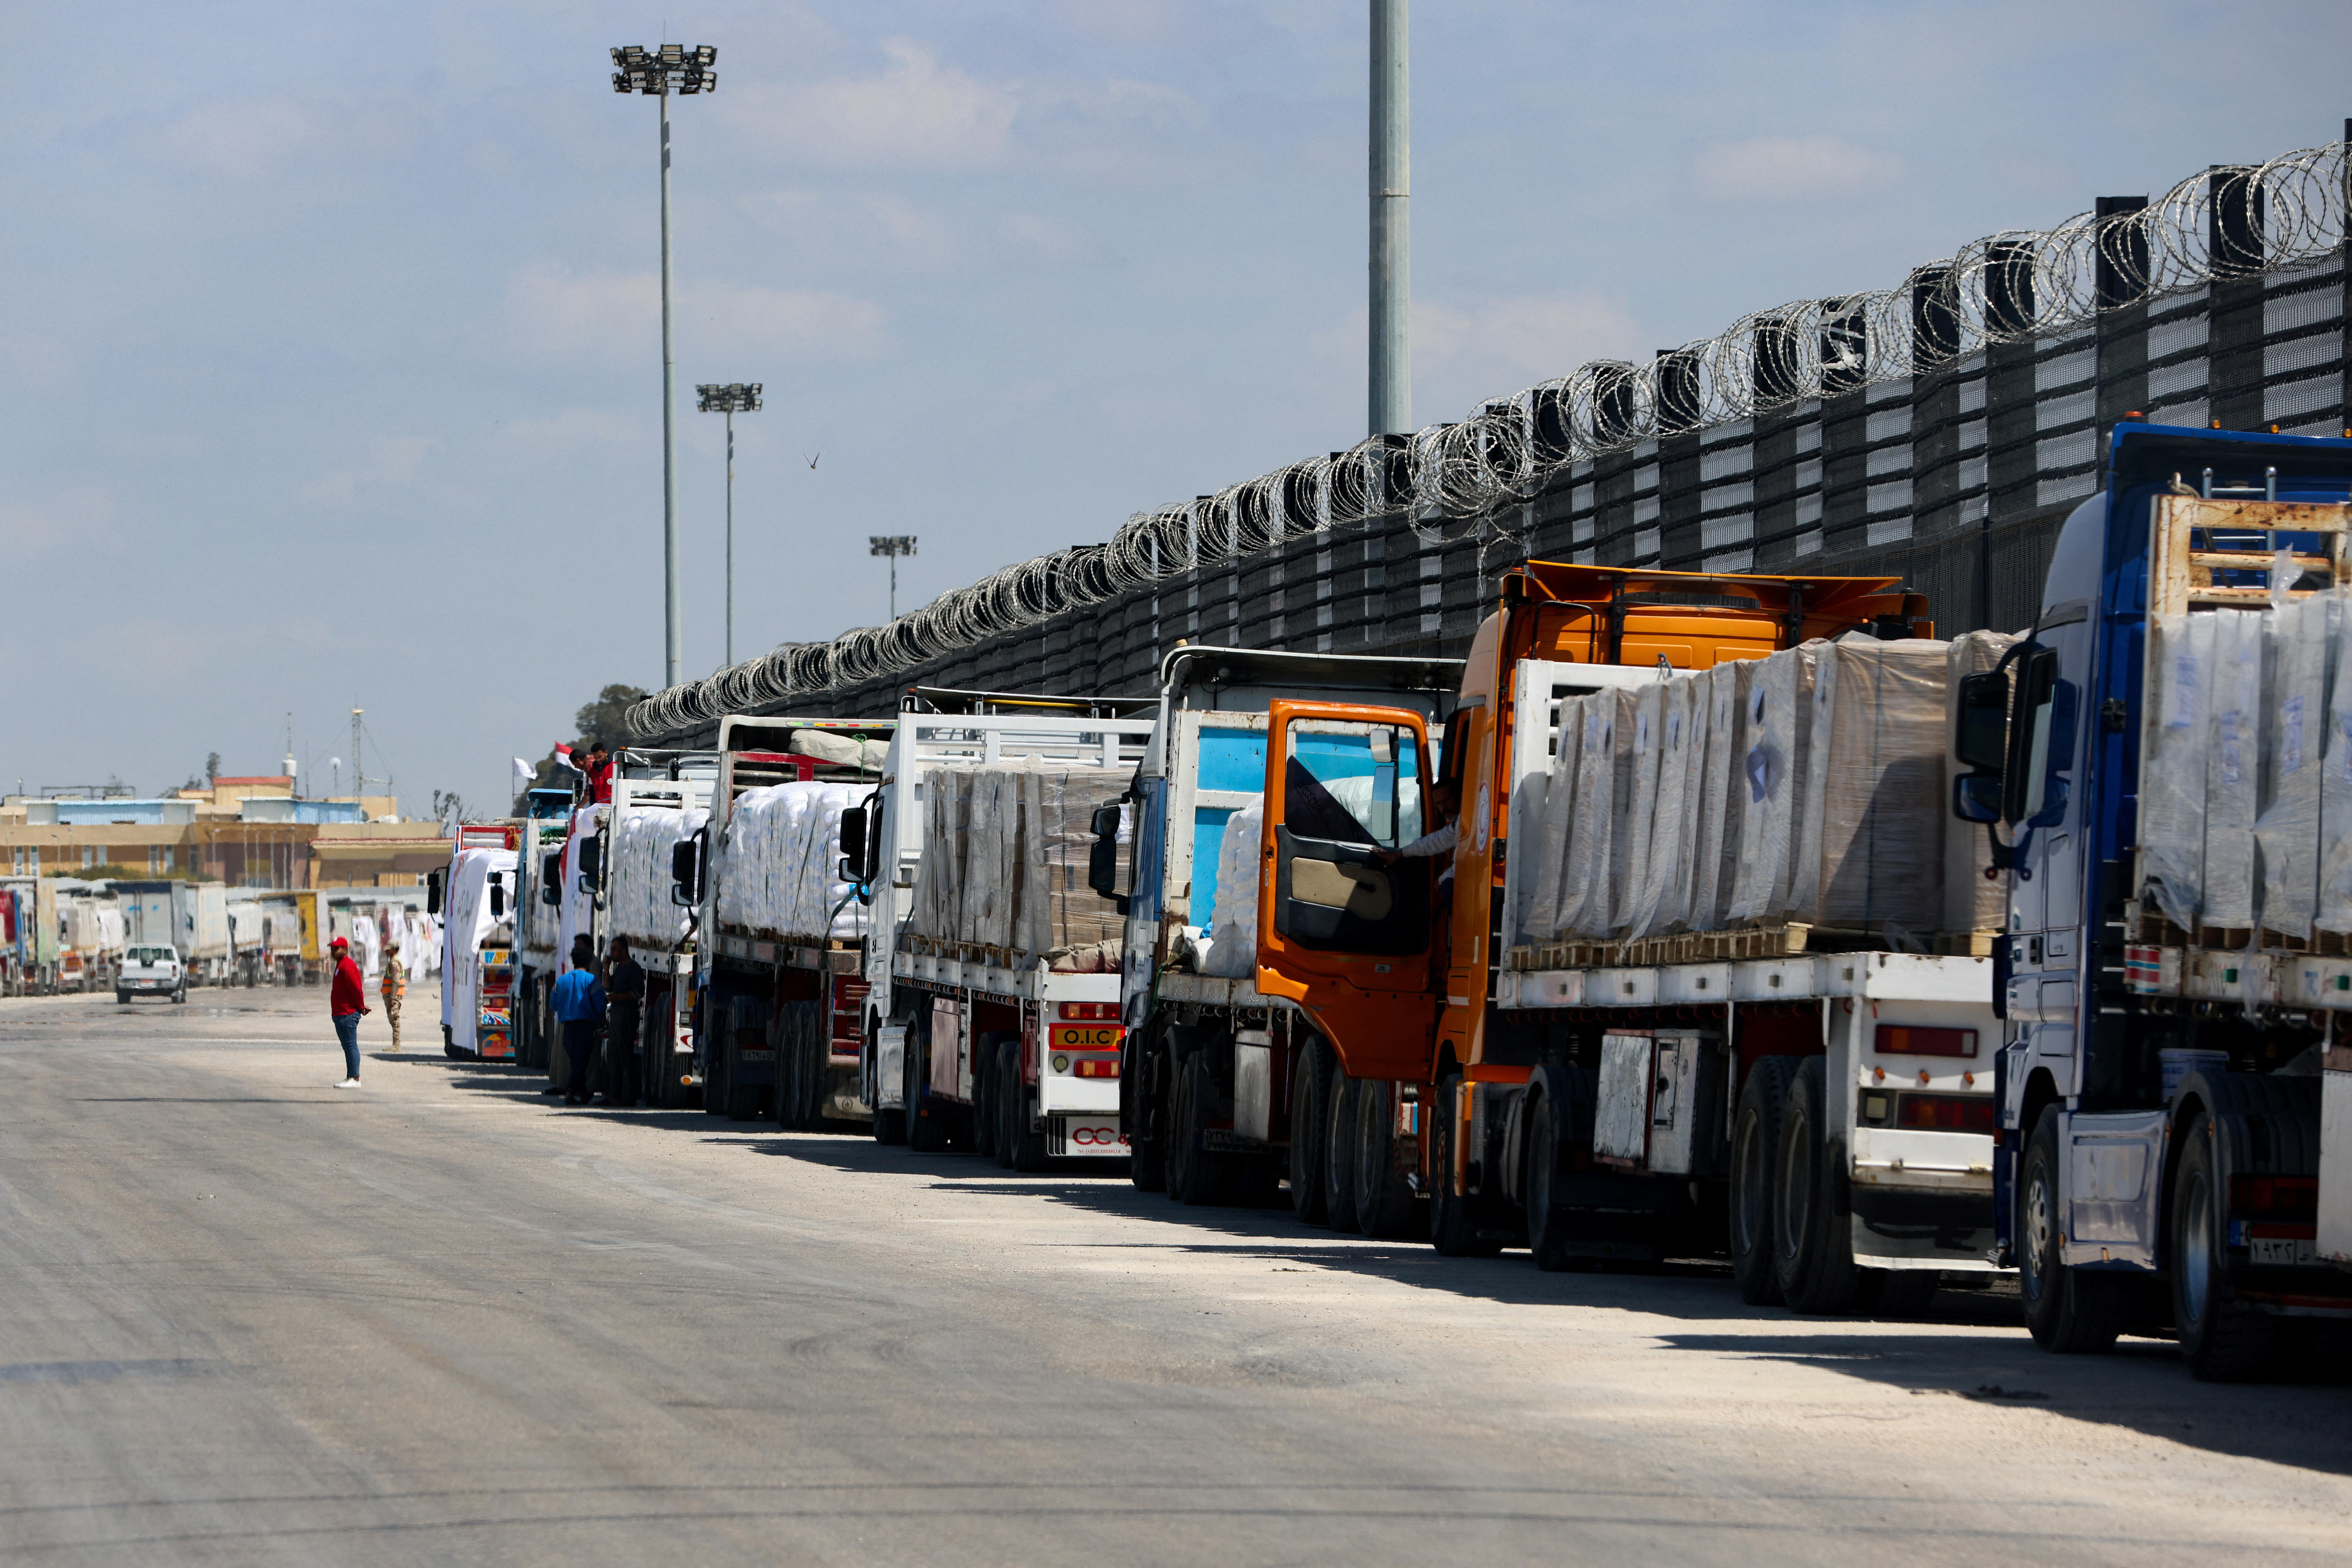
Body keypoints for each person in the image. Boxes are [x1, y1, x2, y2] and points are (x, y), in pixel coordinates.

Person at [552, 935, 606, 1106]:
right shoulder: (592, 981)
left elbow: (553, 1003)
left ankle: (583, 1092)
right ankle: (571, 1092)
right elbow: (600, 1005)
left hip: (568, 1026)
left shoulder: (562, 981)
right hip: (586, 1026)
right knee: (581, 1060)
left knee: (576, 1059)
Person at [600, 935, 647, 1106]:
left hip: (627, 1015)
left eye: (614, 950)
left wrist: (617, 998)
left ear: (624, 950)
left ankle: (628, 1096)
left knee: (625, 1055)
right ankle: (613, 1094)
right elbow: (608, 987)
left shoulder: (633, 969)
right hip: (617, 1014)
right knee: (613, 1055)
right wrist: (606, 968)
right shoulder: (619, 969)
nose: (612, 953)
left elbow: (638, 993)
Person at [328, 936, 369, 1088]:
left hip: (347, 1013)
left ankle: (355, 1078)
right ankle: (350, 1076)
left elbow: (357, 989)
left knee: (351, 1045)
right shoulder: (340, 965)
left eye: (336, 948)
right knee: (347, 1046)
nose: (333, 951)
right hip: (340, 1013)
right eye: (332, 948)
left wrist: (361, 1006)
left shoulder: (347, 966)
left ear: (345, 950)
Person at [555, 739, 615, 805]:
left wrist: (580, 805)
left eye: (574, 764)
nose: (575, 767)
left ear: (578, 761)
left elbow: (589, 791)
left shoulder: (590, 766)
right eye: (596, 758)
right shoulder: (593, 765)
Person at [380, 936, 405, 1053]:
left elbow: (396, 982)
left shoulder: (394, 964)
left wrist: (392, 998)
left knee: (395, 1020)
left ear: (394, 950)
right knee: (393, 1020)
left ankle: (396, 1045)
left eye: (388, 949)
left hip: (394, 996)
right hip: (393, 996)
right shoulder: (393, 962)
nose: (386, 951)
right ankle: (395, 1044)